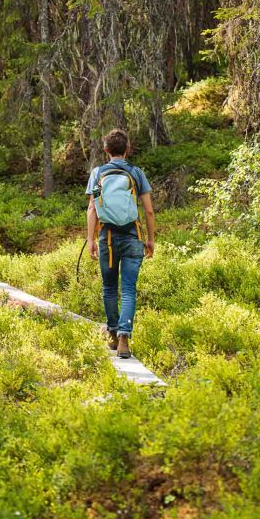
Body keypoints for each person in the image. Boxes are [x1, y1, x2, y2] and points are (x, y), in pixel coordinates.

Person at [85, 128, 155, 359]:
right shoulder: (136, 173)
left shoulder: (97, 174)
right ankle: (125, 338)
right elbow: (149, 211)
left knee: (109, 288)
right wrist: (150, 239)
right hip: (132, 236)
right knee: (128, 289)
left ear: (106, 150)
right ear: (128, 149)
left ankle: (113, 335)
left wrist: (90, 240)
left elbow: (92, 208)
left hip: (108, 238)